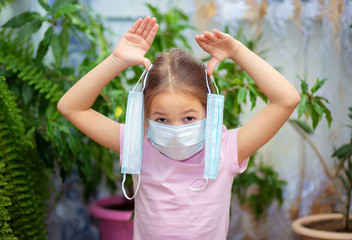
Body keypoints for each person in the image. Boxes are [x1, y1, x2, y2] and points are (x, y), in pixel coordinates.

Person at [57, 16, 300, 239]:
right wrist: (116, 60)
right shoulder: (137, 143)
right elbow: (71, 107)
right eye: (162, 119)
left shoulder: (225, 149)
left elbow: (286, 100)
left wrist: (237, 51)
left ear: (210, 112)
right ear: (145, 117)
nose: (176, 131)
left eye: (189, 118)